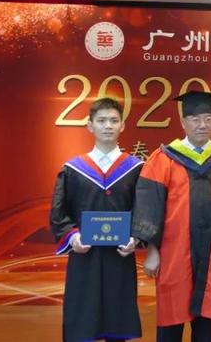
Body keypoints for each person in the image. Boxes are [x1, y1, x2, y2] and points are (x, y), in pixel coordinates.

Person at [131, 90, 211, 342]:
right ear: (183, 122)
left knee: (204, 326)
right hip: (174, 252)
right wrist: (152, 250)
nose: (202, 125)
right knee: (171, 321)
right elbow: (149, 206)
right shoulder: (164, 158)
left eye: (208, 119)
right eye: (195, 119)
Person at [50, 96, 143, 342]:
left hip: (120, 257)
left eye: (114, 120)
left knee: (117, 322)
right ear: (90, 126)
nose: (108, 126)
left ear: (122, 125)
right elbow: (59, 213)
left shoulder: (136, 168)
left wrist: (135, 238)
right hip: (85, 257)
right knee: (83, 322)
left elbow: (144, 210)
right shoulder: (73, 169)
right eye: (101, 121)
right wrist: (73, 237)